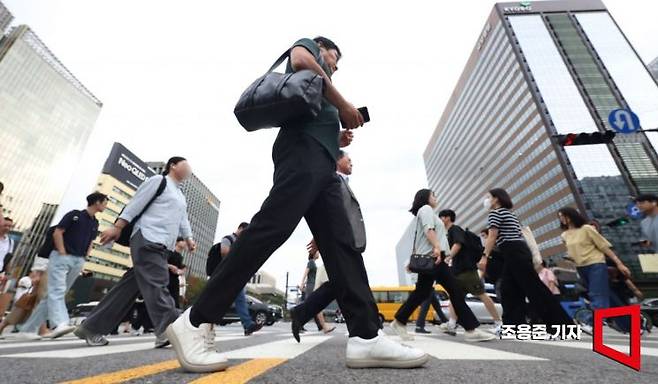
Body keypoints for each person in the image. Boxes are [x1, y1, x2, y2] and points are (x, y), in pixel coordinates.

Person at [165, 36, 428, 373]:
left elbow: (317, 112)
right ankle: (195, 321)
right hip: (302, 154)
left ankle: (366, 336)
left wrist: (338, 135)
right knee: (269, 230)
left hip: (323, 161)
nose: (334, 65)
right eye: (333, 57)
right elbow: (302, 60)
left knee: (343, 245)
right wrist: (344, 105)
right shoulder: (309, 50)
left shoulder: (322, 91)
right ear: (322, 47)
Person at [74, 157, 196, 349]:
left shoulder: (180, 195)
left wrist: (188, 238)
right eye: (186, 164)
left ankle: (91, 327)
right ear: (173, 165)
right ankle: (169, 328)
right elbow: (136, 204)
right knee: (157, 281)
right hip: (148, 237)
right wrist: (117, 227)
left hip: (163, 244)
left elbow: (183, 218)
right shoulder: (159, 181)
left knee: (129, 288)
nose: (189, 169)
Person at [389, 189, 495, 343]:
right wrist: (438, 248)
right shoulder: (425, 209)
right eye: (433, 195)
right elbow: (428, 230)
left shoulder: (427, 212)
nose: (435, 198)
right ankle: (471, 330)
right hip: (435, 258)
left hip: (435, 258)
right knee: (454, 291)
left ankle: (399, 321)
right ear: (425, 198)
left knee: (423, 292)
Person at [290, 150, 370, 341]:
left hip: (345, 238)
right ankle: (369, 329)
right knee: (353, 279)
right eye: (348, 159)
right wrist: (319, 237)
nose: (352, 163)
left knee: (340, 282)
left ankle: (301, 312)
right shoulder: (332, 179)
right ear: (337, 160)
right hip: (340, 239)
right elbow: (330, 211)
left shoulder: (341, 181)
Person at [14, 193, 107, 340]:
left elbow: (90, 241)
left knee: (54, 294)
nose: (106, 205)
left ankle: (28, 329)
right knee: (57, 290)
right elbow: (58, 232)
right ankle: (60, 323)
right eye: (105, 202)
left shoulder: (95, 222)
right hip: (61, 257)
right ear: (97, 202)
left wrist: (85, 257)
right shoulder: (74, 215)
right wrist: (62, 252)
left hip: (78, 260)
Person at [479, 188, 572, 328]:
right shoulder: (511, 214)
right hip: (517, 251)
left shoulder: (495, 213)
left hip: (513, 251)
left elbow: (492, 236)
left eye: (488, 197)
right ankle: (514, 325)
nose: (486, 200)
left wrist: (484, 256)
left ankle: (561, 324)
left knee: (533, 287)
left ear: (496, 198)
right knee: (508, 289)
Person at [558, 206, 631, 334]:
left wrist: (619, 264)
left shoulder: (587, 229)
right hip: (581, 267)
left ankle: (591, 322)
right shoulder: (564, 235)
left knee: (596, 295)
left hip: (596, 264)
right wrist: (570, 257)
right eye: (560, 217)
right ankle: (629, 325)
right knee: (608, 297)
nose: (562, 219)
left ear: (571, 215)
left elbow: (604, 247)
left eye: (563, 215)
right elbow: (572, 251)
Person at [438, 209, 502, 335]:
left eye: (441, 218)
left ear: (447, 218)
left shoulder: (455, 229)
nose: (440, 220)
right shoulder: (450, 231)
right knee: (455, 297)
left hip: (466, 270)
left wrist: (449, 256)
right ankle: (451, 323)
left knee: (481, 294)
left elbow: (458, 243)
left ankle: (499, 323)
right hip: (458, 270)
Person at [208, 223, 263, 336]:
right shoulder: (228, 238)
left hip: (234, 276)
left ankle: (248, 325)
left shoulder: (241, 242)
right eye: (245, 231)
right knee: (215, 299)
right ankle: (202, 322)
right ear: (240, 229)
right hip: (224, 275)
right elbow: (224, 251)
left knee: (240, 299)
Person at [0, 261, 47, 337]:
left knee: (35, 306)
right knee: (36, 305)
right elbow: (37, 272)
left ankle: (42, 330)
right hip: (39, 281)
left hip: (40, 282)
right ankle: (41, 330)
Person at [297, 250, 335, 334]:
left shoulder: (314, 263)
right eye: (317, 252)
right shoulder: (311, 262)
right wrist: (302, 283)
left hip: (312, 285)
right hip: (311, 286)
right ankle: (323, 326)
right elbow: (306, 273)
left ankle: (319, 326)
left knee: (313, 306)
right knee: (315, 305)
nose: (318, 253)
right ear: (313, 254)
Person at [167, 237, 187, 309]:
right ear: (177, 242)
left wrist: (181, 271)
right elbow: (161, 263)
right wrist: (170, 266)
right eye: (183, 241)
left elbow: (180, 269)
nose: (185, 243)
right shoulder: (170, 252)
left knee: (175, 302)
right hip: (166, 279)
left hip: (175, 281)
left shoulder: (180, 256)